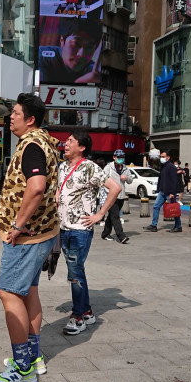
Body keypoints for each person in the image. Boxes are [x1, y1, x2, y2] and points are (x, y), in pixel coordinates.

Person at [0, 93, 60, 382]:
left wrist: (17, 226)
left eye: (16, 113)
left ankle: (22, 368)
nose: (10, 117)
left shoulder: (31, 144)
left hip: (27, 237)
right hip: (43, 232)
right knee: (28, 291)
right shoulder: (44, 141)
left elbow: (36, 187)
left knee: (8, 293)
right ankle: (33, 357)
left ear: (30, 119)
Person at [57, 132, 122, 335]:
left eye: (71, 141)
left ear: (82, 147)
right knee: (76, 271)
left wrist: (100, 214)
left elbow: (115, 188)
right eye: (66, 141)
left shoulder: (90, 167)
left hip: (80, 230)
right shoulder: (62, 167)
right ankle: (86, 311)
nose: (66, 144)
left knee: (75, 272)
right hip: (63, 228)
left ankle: (77, 316)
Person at [39, 18, 102, 84]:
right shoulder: (41, 56)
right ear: (62, 41)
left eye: (89, 47)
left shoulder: (93, 72)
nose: (81, 54)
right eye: (76, 44)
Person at [143, 149, 182, 233]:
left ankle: (178, 226)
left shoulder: (171, 167)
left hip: (169, 192)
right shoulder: (163, 166)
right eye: (161, 156)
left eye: (163, 157)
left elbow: (174, 181)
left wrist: (172, 193)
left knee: (173, 209)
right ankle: (154, 225)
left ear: (168, 157)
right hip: (162, 191)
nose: (161, 158)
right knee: (156, 206)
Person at [101, 149, 131, 244]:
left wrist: (126, 178)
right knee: (115, 216)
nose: (120, 159)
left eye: (122, 158)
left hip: (121, 196)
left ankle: (105, 233)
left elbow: (130, 180)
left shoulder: (125, 168)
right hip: (110, 195)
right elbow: (102, 178)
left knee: (111, 216)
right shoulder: (109, 167)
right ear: (114, 157)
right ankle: (121, 236)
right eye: (119, 157)